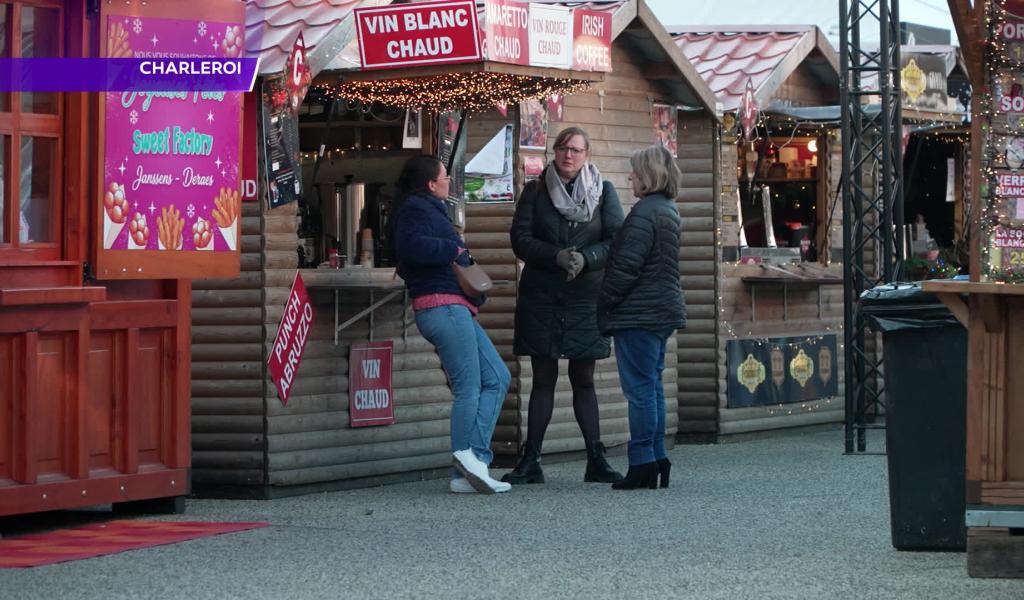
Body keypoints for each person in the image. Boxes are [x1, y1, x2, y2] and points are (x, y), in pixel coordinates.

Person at [504, 126, 625, 485]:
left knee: (583, 378)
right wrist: (555, 256)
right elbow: (520, 239)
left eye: (575, 150)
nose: (568, 155)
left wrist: (586, 258)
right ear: (553, 152)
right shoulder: (536, 190)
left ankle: (595, 459)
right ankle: (532, 460)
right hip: (542, 295)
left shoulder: (603, 191)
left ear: (586, 155)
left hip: (587, 295)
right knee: (542, 378)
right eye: (562, 148)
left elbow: (616, 240)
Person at [392, 155, 512, 495]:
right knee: (468, 387)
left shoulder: (427, 207)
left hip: (454, 307)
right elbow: (410, 246)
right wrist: (452, 248)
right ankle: (466, 459)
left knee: (498, 378)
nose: (449, 181)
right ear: (432, 183)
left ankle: (473, 463)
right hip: (441, 306)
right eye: (445, 176)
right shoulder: (416, 209)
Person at [599, 144, 686, 490]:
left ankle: (641, 463)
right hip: (662, 309)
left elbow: (625, 269)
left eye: (634, 171)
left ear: (648, 176)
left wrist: (605, 302)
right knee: (652, 387)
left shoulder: (643, 214)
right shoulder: (668, 210)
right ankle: (657, 456)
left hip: (639, 312)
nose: (630, 177)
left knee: (639, 391)